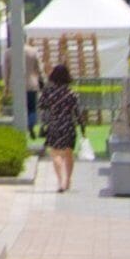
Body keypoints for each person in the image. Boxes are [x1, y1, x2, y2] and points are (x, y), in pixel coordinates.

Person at [36, 61, 84, 192]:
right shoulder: (71, 94)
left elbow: (41, 106)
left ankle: (60, 181)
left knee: (55, 154)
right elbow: (77, 112)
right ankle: (67, 180)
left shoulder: (48, 93)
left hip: (54, 124)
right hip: (68, 125)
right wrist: (82, 127)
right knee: (68, 154)